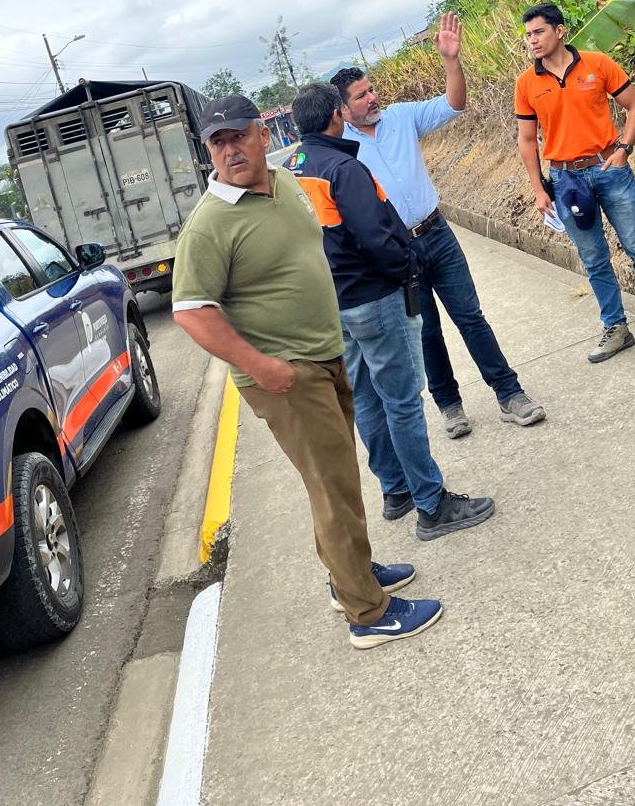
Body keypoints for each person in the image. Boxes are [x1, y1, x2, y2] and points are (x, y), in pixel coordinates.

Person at [171, 95, 442, 650]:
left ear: (261, 134)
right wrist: (261, 367)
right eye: (218, 143)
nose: (230, 150)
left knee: (337, 479)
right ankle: (368, 612)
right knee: (332, 489)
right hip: (287, 376)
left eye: (238, 136)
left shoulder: (285, 183)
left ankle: (351, 575)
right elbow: (192, 312)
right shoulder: (209, 224)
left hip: (324, 355)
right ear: (208, 151)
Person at [288, 82, 496, 539]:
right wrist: (407, 267)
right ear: (336, 116)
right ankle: (431, 504)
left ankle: (396, 490)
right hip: (373, 298)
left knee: (365, 397)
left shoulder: (294, 169)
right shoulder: (343, 168)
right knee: (402, 401)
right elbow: (375, 236)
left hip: (336, 301)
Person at [331, 12, 545, 440]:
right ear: (342, 109)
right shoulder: (342, 150)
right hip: (398, 253)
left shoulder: (402, 117)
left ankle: (509, 394)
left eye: (371, 89)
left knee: (471, 317)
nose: (373, 97)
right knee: (426, 332)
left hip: (437, 235)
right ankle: (450, 405)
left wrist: (451, 61)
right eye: (361, 95)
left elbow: (454, 104)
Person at [515, 2, 635, 362]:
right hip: (565, 179)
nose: (532, 40)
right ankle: (616, 328)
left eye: (539, 32)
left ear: (559, 31)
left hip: (609, 169)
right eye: (528, 34)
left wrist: (624, 149)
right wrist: (538, 189)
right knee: (594, 258)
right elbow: (526, 139)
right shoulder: (526, 83)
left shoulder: (597, 64)